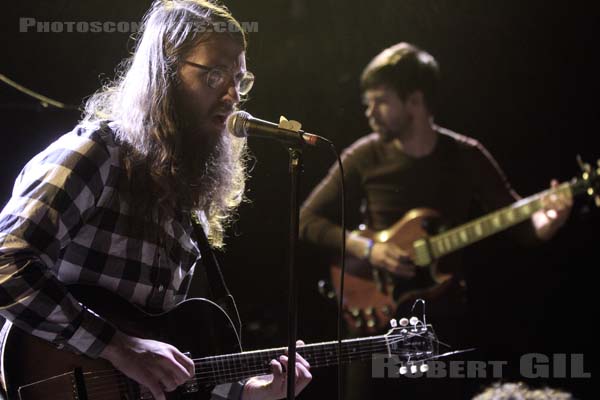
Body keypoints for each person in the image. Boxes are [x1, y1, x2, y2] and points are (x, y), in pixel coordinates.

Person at [0, 1, 311, 400]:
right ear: (164, 73)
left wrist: (252, 394)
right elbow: (7, 261)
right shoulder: (96, 153)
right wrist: (116, 346)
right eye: (216, 74)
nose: (234, 95)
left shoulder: (185, 191)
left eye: (241, 79)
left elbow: (164, 357)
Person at [299, 42, 571, 398]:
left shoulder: (467, 156)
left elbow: (522, 225)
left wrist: (548, 223)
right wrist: (369, 248)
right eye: (368, 102)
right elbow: (306, 219)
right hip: (375, 327)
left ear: (414, 101)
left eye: (380, 100)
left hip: (444, 325)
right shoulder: (363, 156)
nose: (370, 111)